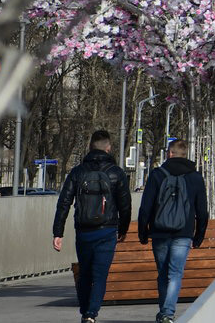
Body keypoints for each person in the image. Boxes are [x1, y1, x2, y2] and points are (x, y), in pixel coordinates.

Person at [52, 129, 131, 323]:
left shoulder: (77, 172)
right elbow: (125, 205)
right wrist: (123, 229)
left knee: (85, 274)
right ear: (108, 148)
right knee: (100, 275)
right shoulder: (116, 173)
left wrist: (58, 232)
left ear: (90, 147)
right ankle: (91, 314)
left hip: (84, 231)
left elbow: (64, 203)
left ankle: (84, 310)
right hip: (107, 230)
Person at [138, 139, 209, 323]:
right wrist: (199, 236)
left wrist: (143, 232)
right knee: (175, 274)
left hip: (159, 232)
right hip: (183, 233)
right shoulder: (195, 177)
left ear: (170, 153)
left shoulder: (157, 175)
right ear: (185, 155)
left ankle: (165, 312)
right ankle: (167, 314)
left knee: (163, 273)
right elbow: (202, 211)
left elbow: (145, 207)